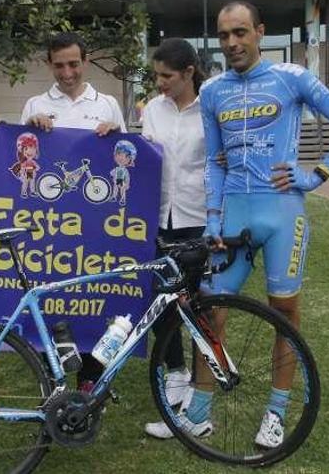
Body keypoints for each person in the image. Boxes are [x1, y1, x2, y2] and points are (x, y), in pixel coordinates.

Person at [174, 1, 329, 448]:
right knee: (210, 312)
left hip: (282, 215)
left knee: (285, 315)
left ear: (259, 32)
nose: (232, 43)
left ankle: (276, 413)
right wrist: (212, 220)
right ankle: (200, 412)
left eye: (240, 32)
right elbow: (214, 165)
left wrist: (315, 174)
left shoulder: (292, 78)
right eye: (224, 36)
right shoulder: (213, 91)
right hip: (232, 218)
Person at [20, 32, 126, 392]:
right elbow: (24, 151)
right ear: (49, 64)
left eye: (74, 64)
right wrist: (32, 128)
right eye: (59, 65)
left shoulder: (108, 102)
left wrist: (115, 133)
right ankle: (56, 378)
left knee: (95, 297)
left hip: (98, 222)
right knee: (58, 297)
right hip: (53, 224)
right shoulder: (34, 103)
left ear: (85, 61)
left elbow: (127, 156)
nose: (67, 72)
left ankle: (91, 381)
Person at [136, 38, 209, 438]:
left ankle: (200, 396)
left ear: (188, 73)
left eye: (166, 76)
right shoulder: (152, 111)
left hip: (197, 219)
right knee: (160, 302)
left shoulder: (209, 109)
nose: (160, 82)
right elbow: (143, 156)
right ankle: (176, 373)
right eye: (156, 75)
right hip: (157, 219)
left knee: (198, 308)